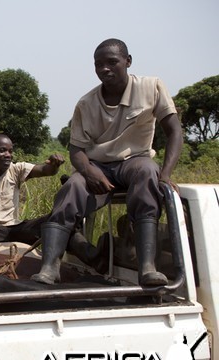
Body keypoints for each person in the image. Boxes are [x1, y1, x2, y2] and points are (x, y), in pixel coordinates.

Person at [31, 38, 183, 287]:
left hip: (135, 161)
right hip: (98, 166)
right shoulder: (85, 103)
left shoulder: (151, 86)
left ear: (128, 61)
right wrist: (89, 171)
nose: (104, 69)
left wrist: (165, 175)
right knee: (71, 190)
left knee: (148, 172)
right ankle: (49, 267)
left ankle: (147, 267)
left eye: (112, 62)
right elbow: (77, 149)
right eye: (98, 64)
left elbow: (174, 131)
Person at [0, 134, 107, 269]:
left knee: (54, 224)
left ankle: (95, 258)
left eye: (10, 151)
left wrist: (53, 165)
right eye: (2, 151)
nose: (8, 155)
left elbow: (44, 170)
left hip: (11, 228)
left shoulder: (16, 169)